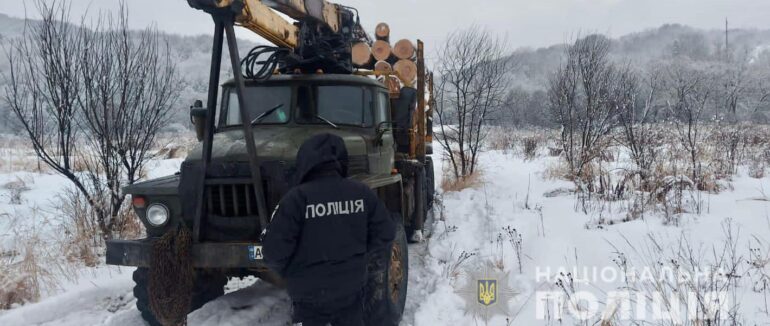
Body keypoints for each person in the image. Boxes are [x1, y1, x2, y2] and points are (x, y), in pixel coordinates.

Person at [262, 133, 396, 326]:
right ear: (340, 159)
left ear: (305, 162)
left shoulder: (295, 199)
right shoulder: (361, 193)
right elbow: (386, 232)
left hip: (308, 298)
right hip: (351, 291)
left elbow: (273, 252)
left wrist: (292, 273)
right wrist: (360, 258)